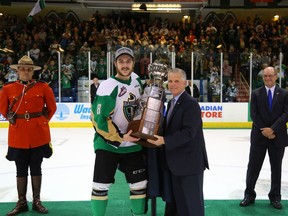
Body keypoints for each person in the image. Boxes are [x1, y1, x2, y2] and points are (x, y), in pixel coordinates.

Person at [90, 47, 148, 216]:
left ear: (133, 63)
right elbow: (98, 119)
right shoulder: (108, 86)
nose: (125, 65)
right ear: (115, 63)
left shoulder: (137, 81)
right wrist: (120, 137)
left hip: (133, 144)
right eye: (121, 61)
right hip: (108, 145)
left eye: (128, 61)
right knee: (101, 186)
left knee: (139, 185)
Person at [147, 68, 209, 216]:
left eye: (177, 81)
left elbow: (189, 133)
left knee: (191, 206)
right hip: (175, 164)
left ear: (185, 83)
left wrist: (164, 140)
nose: (173, 84)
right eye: (170, 81)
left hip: (189, 165)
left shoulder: (190, 103)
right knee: (178, 205)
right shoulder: (172, 102)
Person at [0, 55, 57, 215]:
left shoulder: (43, 87)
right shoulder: (7, 88)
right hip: (18, 135)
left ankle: (37, 201)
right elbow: (4, 110)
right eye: (22, 69)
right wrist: (15, 120)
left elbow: (52, 108)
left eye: (29, 69)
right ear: (18, 71)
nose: (25, 72)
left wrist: (42, 121)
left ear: (33, 72)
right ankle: (21, 202)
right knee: (20, 169)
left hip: (38, 134)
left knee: (36, 167)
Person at [240, 66, 288, 210]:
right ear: (262, 78)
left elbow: (286, 114)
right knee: (253, 167)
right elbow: (254, 114)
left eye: (270, 76)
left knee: (276, 168)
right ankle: (249, 194)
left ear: (276, 77)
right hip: (259, 137)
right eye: (265, 76)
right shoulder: (255, 93)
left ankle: (275, 197)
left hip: (277, 136)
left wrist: (272, 129)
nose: (268, 78)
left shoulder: (285, 94)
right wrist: (265, 131)